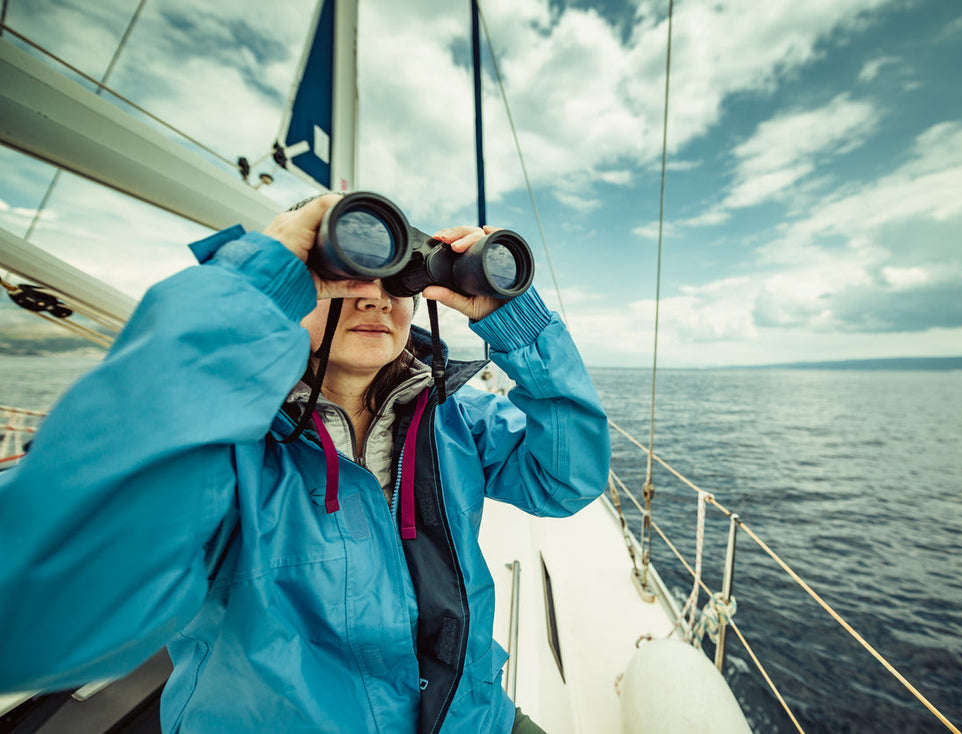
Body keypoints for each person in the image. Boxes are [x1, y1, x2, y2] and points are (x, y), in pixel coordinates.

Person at [0, 194, 612, 733]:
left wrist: (520, 324)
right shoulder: (231, 442)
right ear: (296, 290)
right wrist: (254, 286)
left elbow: (566, 481)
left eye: (396, 279)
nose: (373, 296)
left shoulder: (456, 416)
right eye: (345, 274)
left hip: (470, 716)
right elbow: (47, 614)